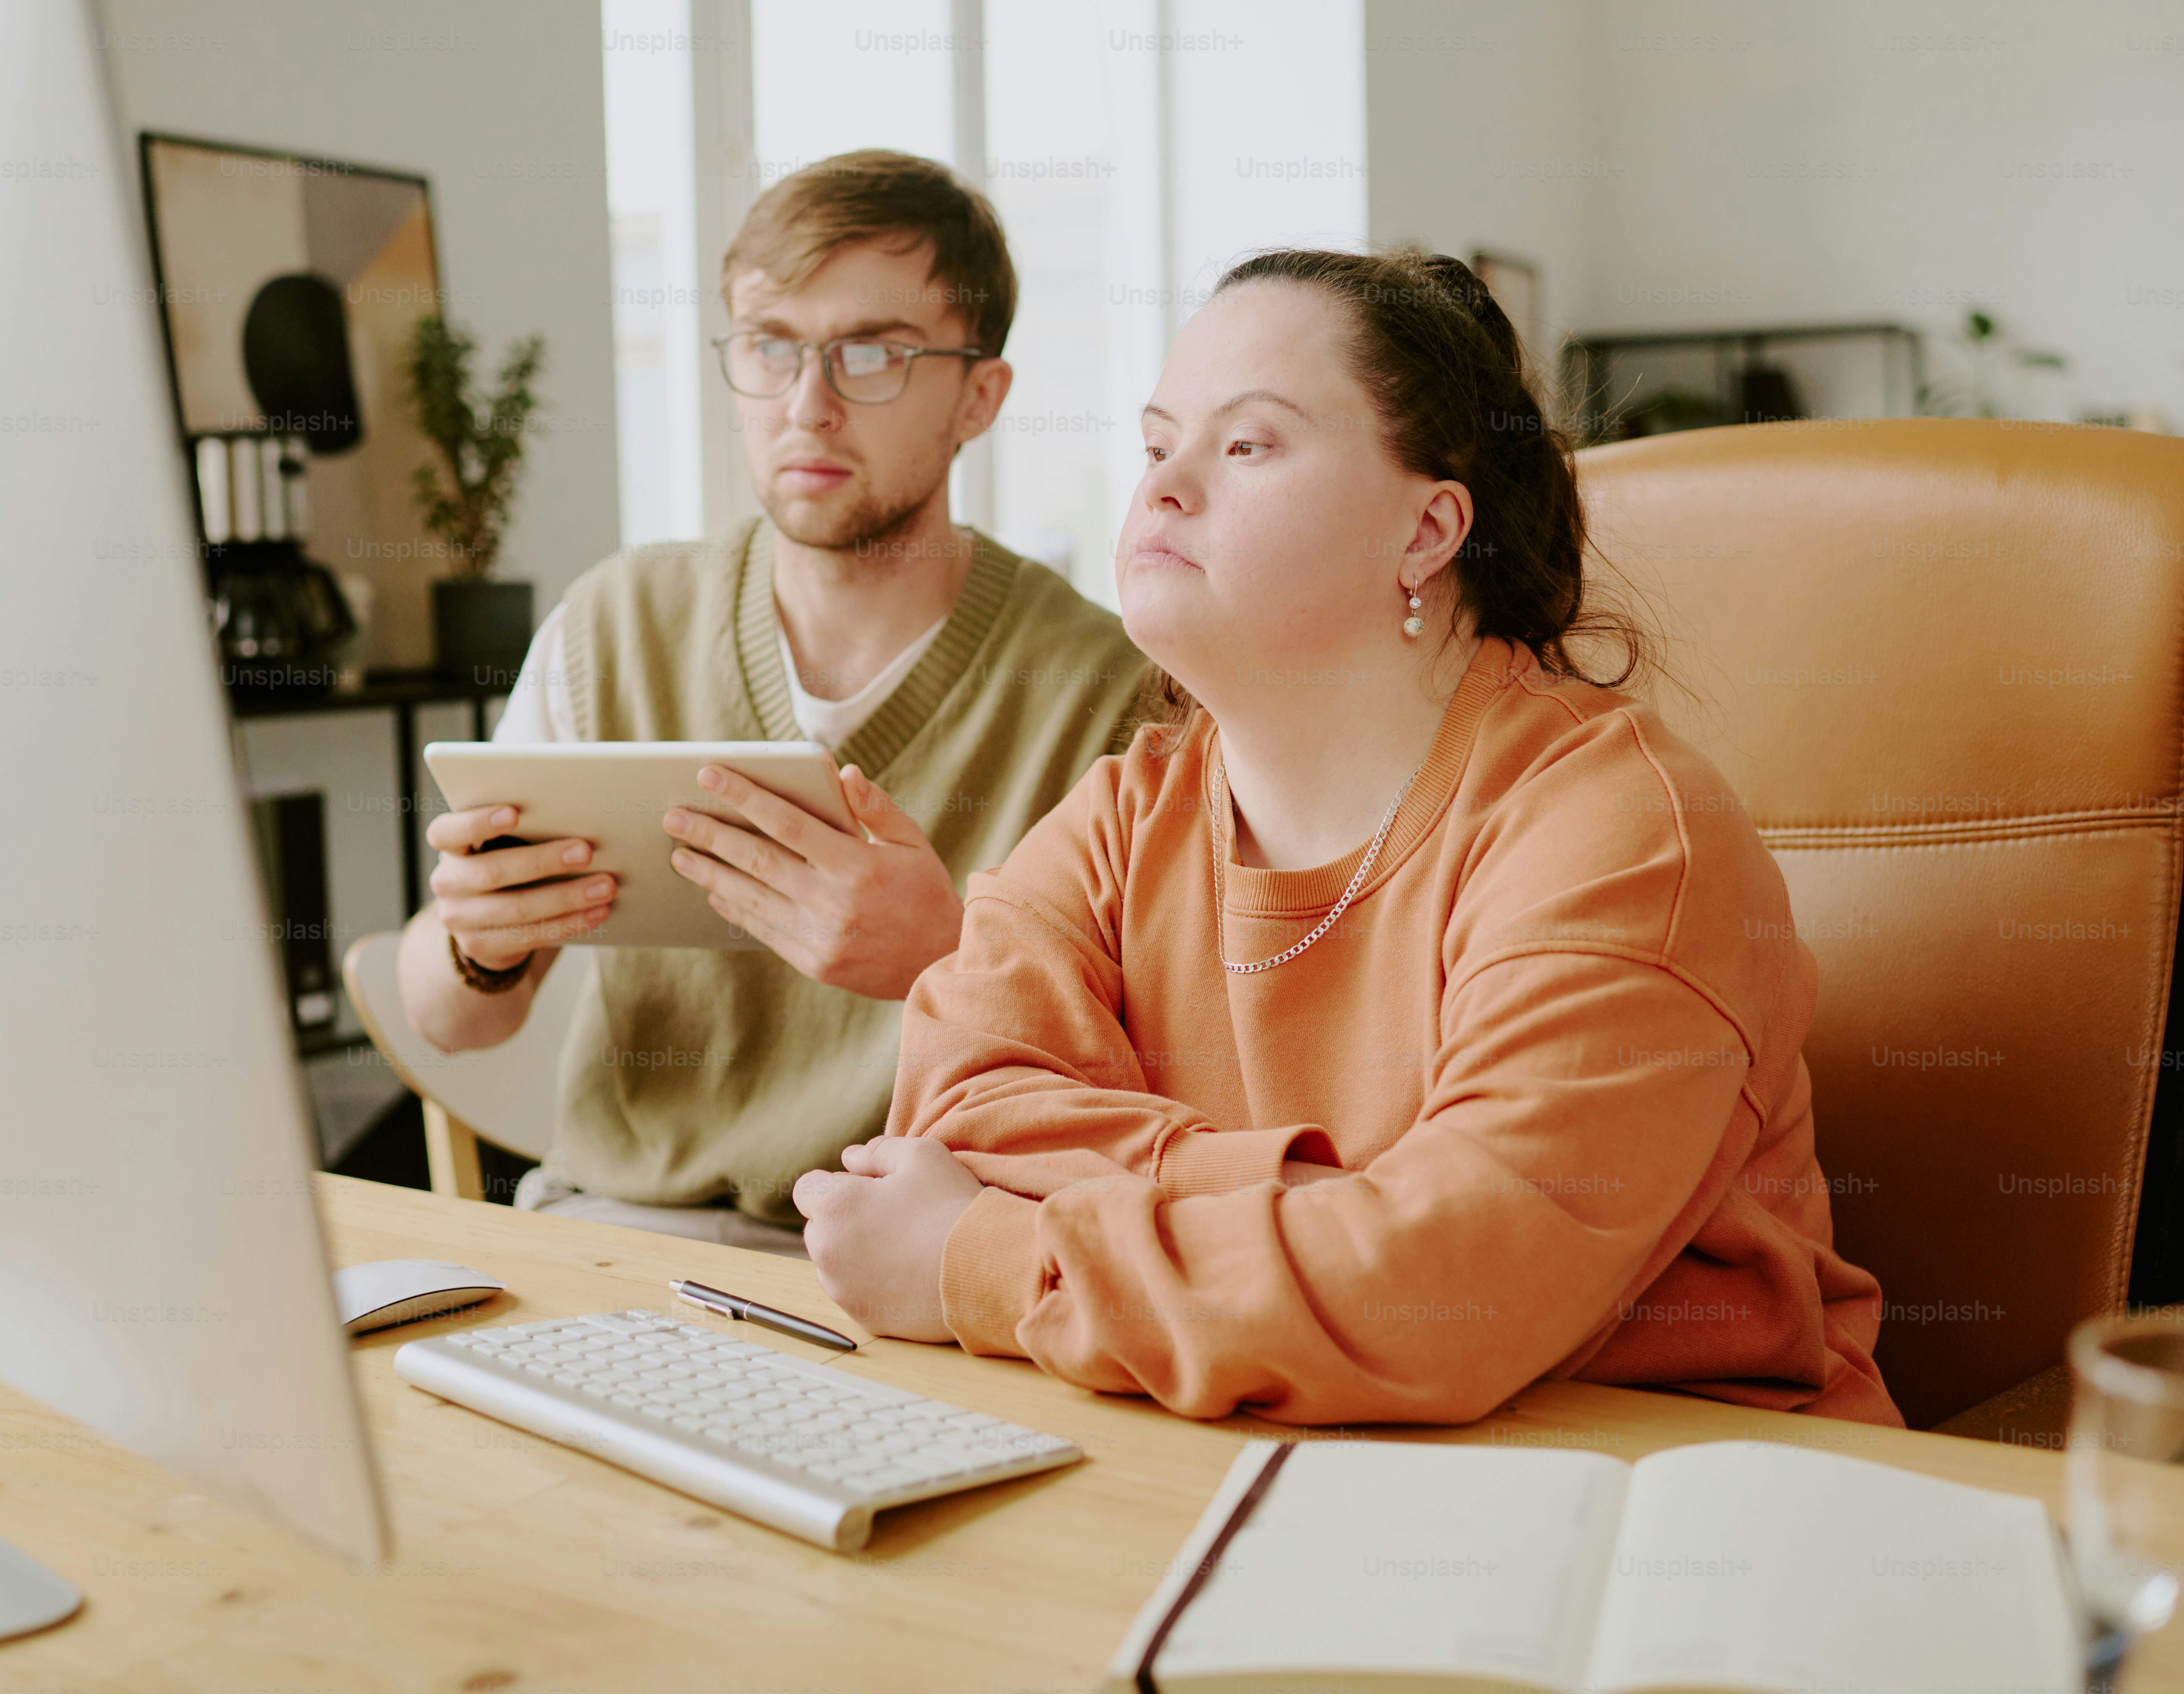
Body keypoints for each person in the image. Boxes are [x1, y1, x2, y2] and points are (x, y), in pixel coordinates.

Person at [794, 247, 1902, 1427]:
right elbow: (960, 1118)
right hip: (1256, 1448)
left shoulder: (1625, 833)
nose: (1165, 487)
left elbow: (1437, 1298)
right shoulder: (1126, 813)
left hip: (1671, 1504)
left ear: (1427, 531)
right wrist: (1335, 1205)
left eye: (1248, 444)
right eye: (1158, 444)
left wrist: (991, 1259)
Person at [399, 152, 1145, 1255]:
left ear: (979, 396)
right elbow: (454, 1021)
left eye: (873, 354)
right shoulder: (616, 626)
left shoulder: (1107, 695)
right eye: (770, 346)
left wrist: (947, 956)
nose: (809, 407)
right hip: (620, 1236)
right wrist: (477, 944)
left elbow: (1163, 1080)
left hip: (931, 1266)